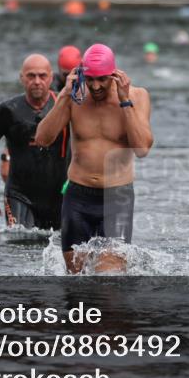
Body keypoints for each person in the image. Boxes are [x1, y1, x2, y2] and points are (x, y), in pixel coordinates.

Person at [35, 44, 153, 273]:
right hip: (78, 198)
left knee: (108, 284)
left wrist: (125, 101)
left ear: (114, 74)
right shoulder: (74, 96)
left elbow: (142, 149)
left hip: (116, 199)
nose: (95, 86)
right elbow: (42, 139)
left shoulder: (138, 96)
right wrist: (64, 97)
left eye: (102, 79)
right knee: (76, 281)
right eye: (90, 79)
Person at [0, 54, 69, 230]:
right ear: (21, 78)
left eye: (42, 76)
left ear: (51, 77)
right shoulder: (8, 111)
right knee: (19, 244)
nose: (36, 81)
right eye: (31, 76)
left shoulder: (64, 106)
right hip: (19, 195)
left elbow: (83, 144)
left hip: (58, 197)